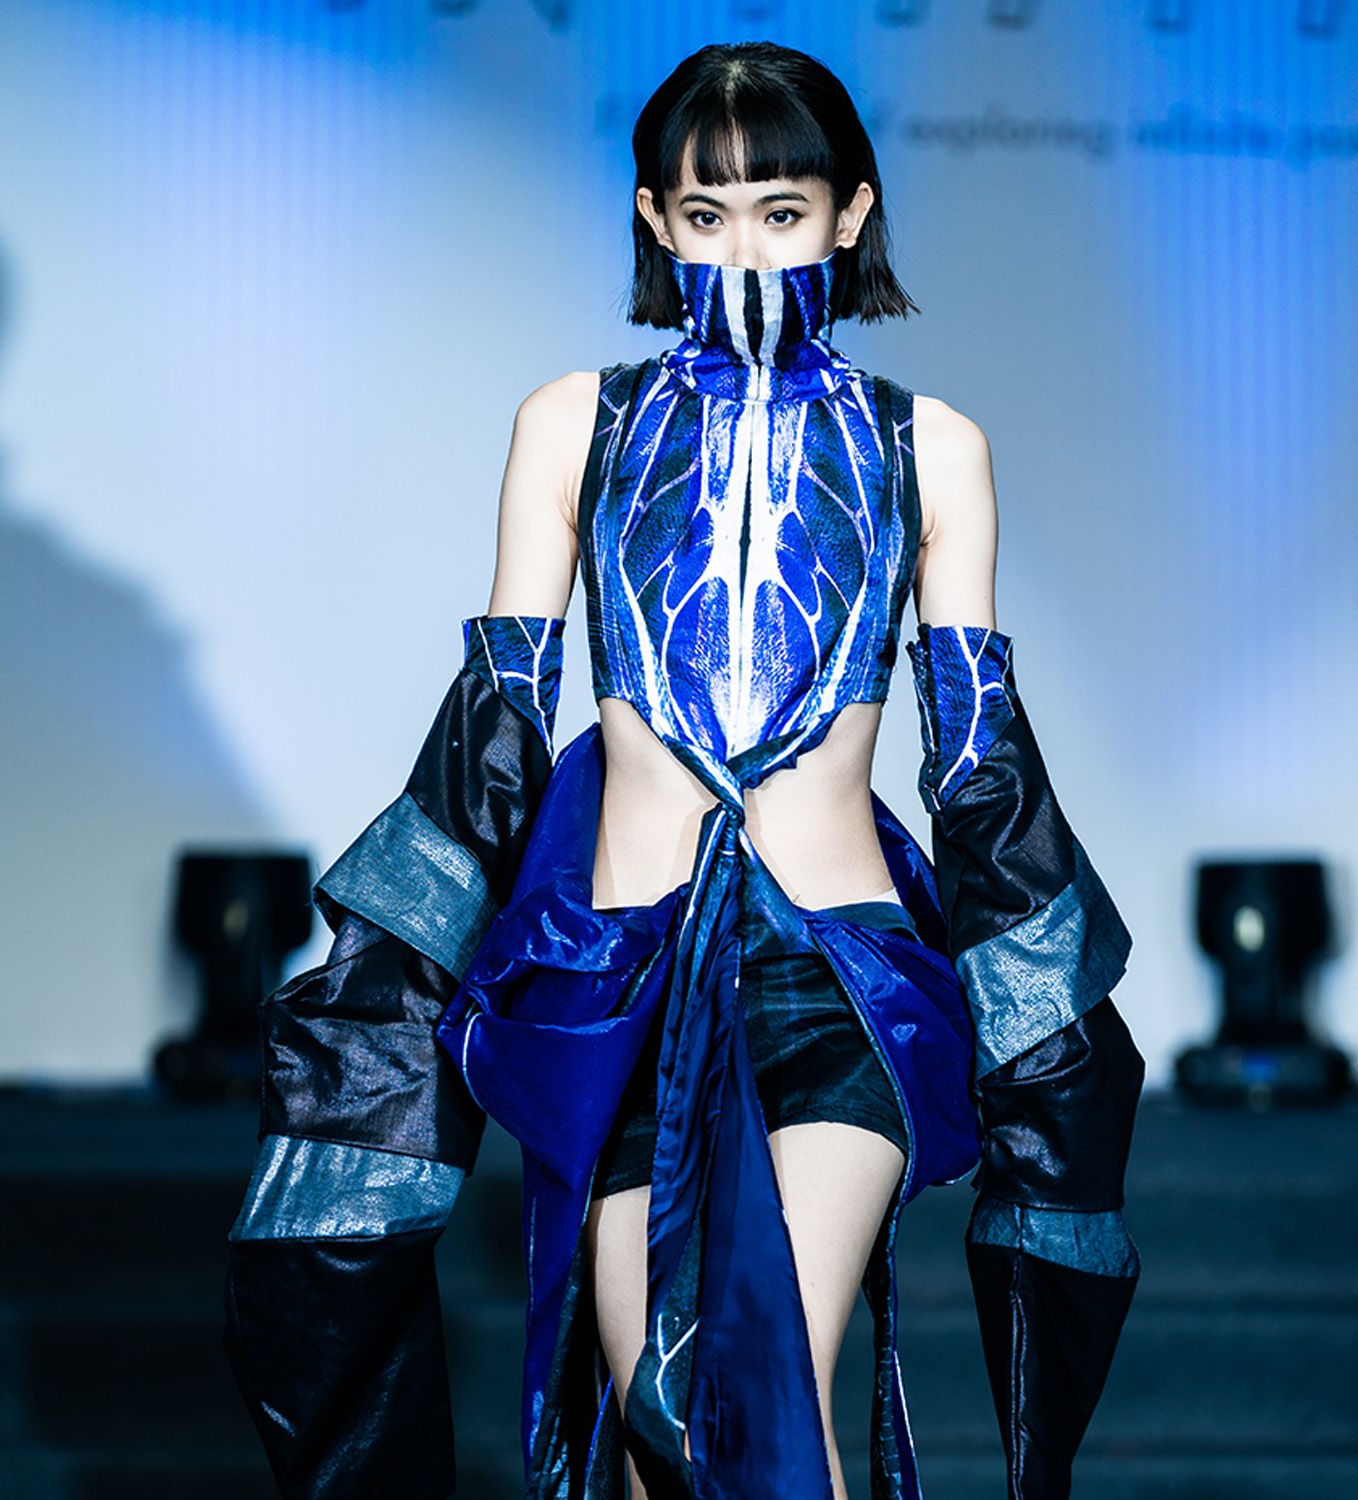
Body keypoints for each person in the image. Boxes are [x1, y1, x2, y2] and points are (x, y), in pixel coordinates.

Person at [222, 40, 1146, 1500]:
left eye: (782, 212)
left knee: (765, 1386)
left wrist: (1044, 1018)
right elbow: (498, 721)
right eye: (707, 216)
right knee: (663, 1422)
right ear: (655, 220)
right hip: (620, 987)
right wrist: (390, 977)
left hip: (843, 975)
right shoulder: (569, 422)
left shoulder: (935, 447)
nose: (746, 249)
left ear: (850, 213)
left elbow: (978, 757)